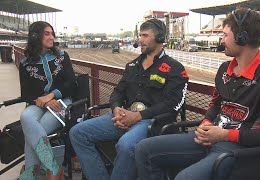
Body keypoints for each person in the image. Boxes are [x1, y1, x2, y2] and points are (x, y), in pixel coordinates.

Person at [135, 8, 260, 180]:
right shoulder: (224, 69)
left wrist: (224, 134)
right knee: (144, 149)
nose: (222, 39)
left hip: (240, 150)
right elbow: (216, 105)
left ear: (242, 37)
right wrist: (206, 122)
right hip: (211, 138)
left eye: (225, 35)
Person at [69, 18, 189, 180]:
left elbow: (173, 104)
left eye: (145, 35)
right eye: (140, 35)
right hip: (124, 116)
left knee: (126, 145)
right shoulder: (132, 66)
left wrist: (139, 116)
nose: (140, 40)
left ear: (159, 38)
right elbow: (118, 92)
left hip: (151, 122)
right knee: (78, 132)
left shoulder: (174, 68)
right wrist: (116, 109)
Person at [18, 21, 77, 180]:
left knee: (34, 128)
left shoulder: (63, 56)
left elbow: (72, 84)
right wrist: (42, 100)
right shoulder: (25, 63)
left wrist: (51, 96)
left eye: (52, 33)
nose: (52, 37)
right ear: (35, 36)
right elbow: (26, 94)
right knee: (26, 117)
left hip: (63, 102)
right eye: (47, 33)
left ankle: (30, 174)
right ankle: (52, 167)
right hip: (38, 103)